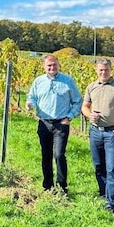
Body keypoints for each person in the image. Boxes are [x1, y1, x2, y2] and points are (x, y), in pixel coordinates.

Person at [81, 58, 114, 214]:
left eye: (106, 70)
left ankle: (111, 203)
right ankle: (104, 194)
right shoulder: (91, 87)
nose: (103, 72)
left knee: (112, 168)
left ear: (111, 70)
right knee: (98, 166)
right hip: (95, 132)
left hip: (112, 133)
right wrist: (90, 115)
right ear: (96, 70)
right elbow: (85, 106)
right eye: (100, 70)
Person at [26, 54, 82, 194]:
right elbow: (32, 96)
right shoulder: (38, 81)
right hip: (44, 123)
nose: (52, 68)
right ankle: (47, 186)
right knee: (46, 155)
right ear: (44, 67)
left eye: (54, 65)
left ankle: (62, 186)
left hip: (61, 124)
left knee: (59, 154)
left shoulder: (68, 81)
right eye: (49, 65)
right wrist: (30, 104)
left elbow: (77, 101)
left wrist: (69, 117)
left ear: (58, 65)